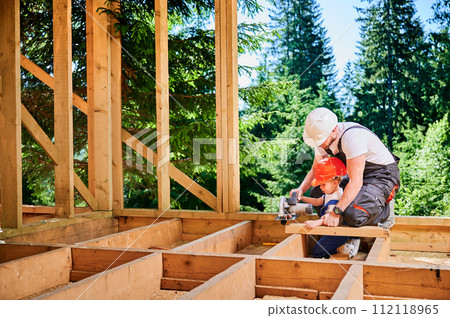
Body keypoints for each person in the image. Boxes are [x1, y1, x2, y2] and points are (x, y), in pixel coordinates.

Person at [291, 107, 400, 231]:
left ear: (334, 130)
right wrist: (301, 189)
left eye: (321, 140)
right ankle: (339, 230)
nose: (319, 144)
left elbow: (355, 182)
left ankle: (384, 212)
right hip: (359, 175)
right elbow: (315, 169)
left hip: (382, 176)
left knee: (353, 214)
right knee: (319, 192)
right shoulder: (322, 140)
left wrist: (336, 212)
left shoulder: (352, 137)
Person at [300, 157, 360, 258]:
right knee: (319, 249)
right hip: (332, 231)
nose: (320, 187)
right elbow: (316, 202)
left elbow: (329, 217)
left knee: (316, 252)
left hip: (338, 234)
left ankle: (343, 248)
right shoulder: (330, 193)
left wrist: (316, 223)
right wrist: (301, 197)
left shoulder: (338, 197)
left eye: (323, 184)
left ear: (335, 182)